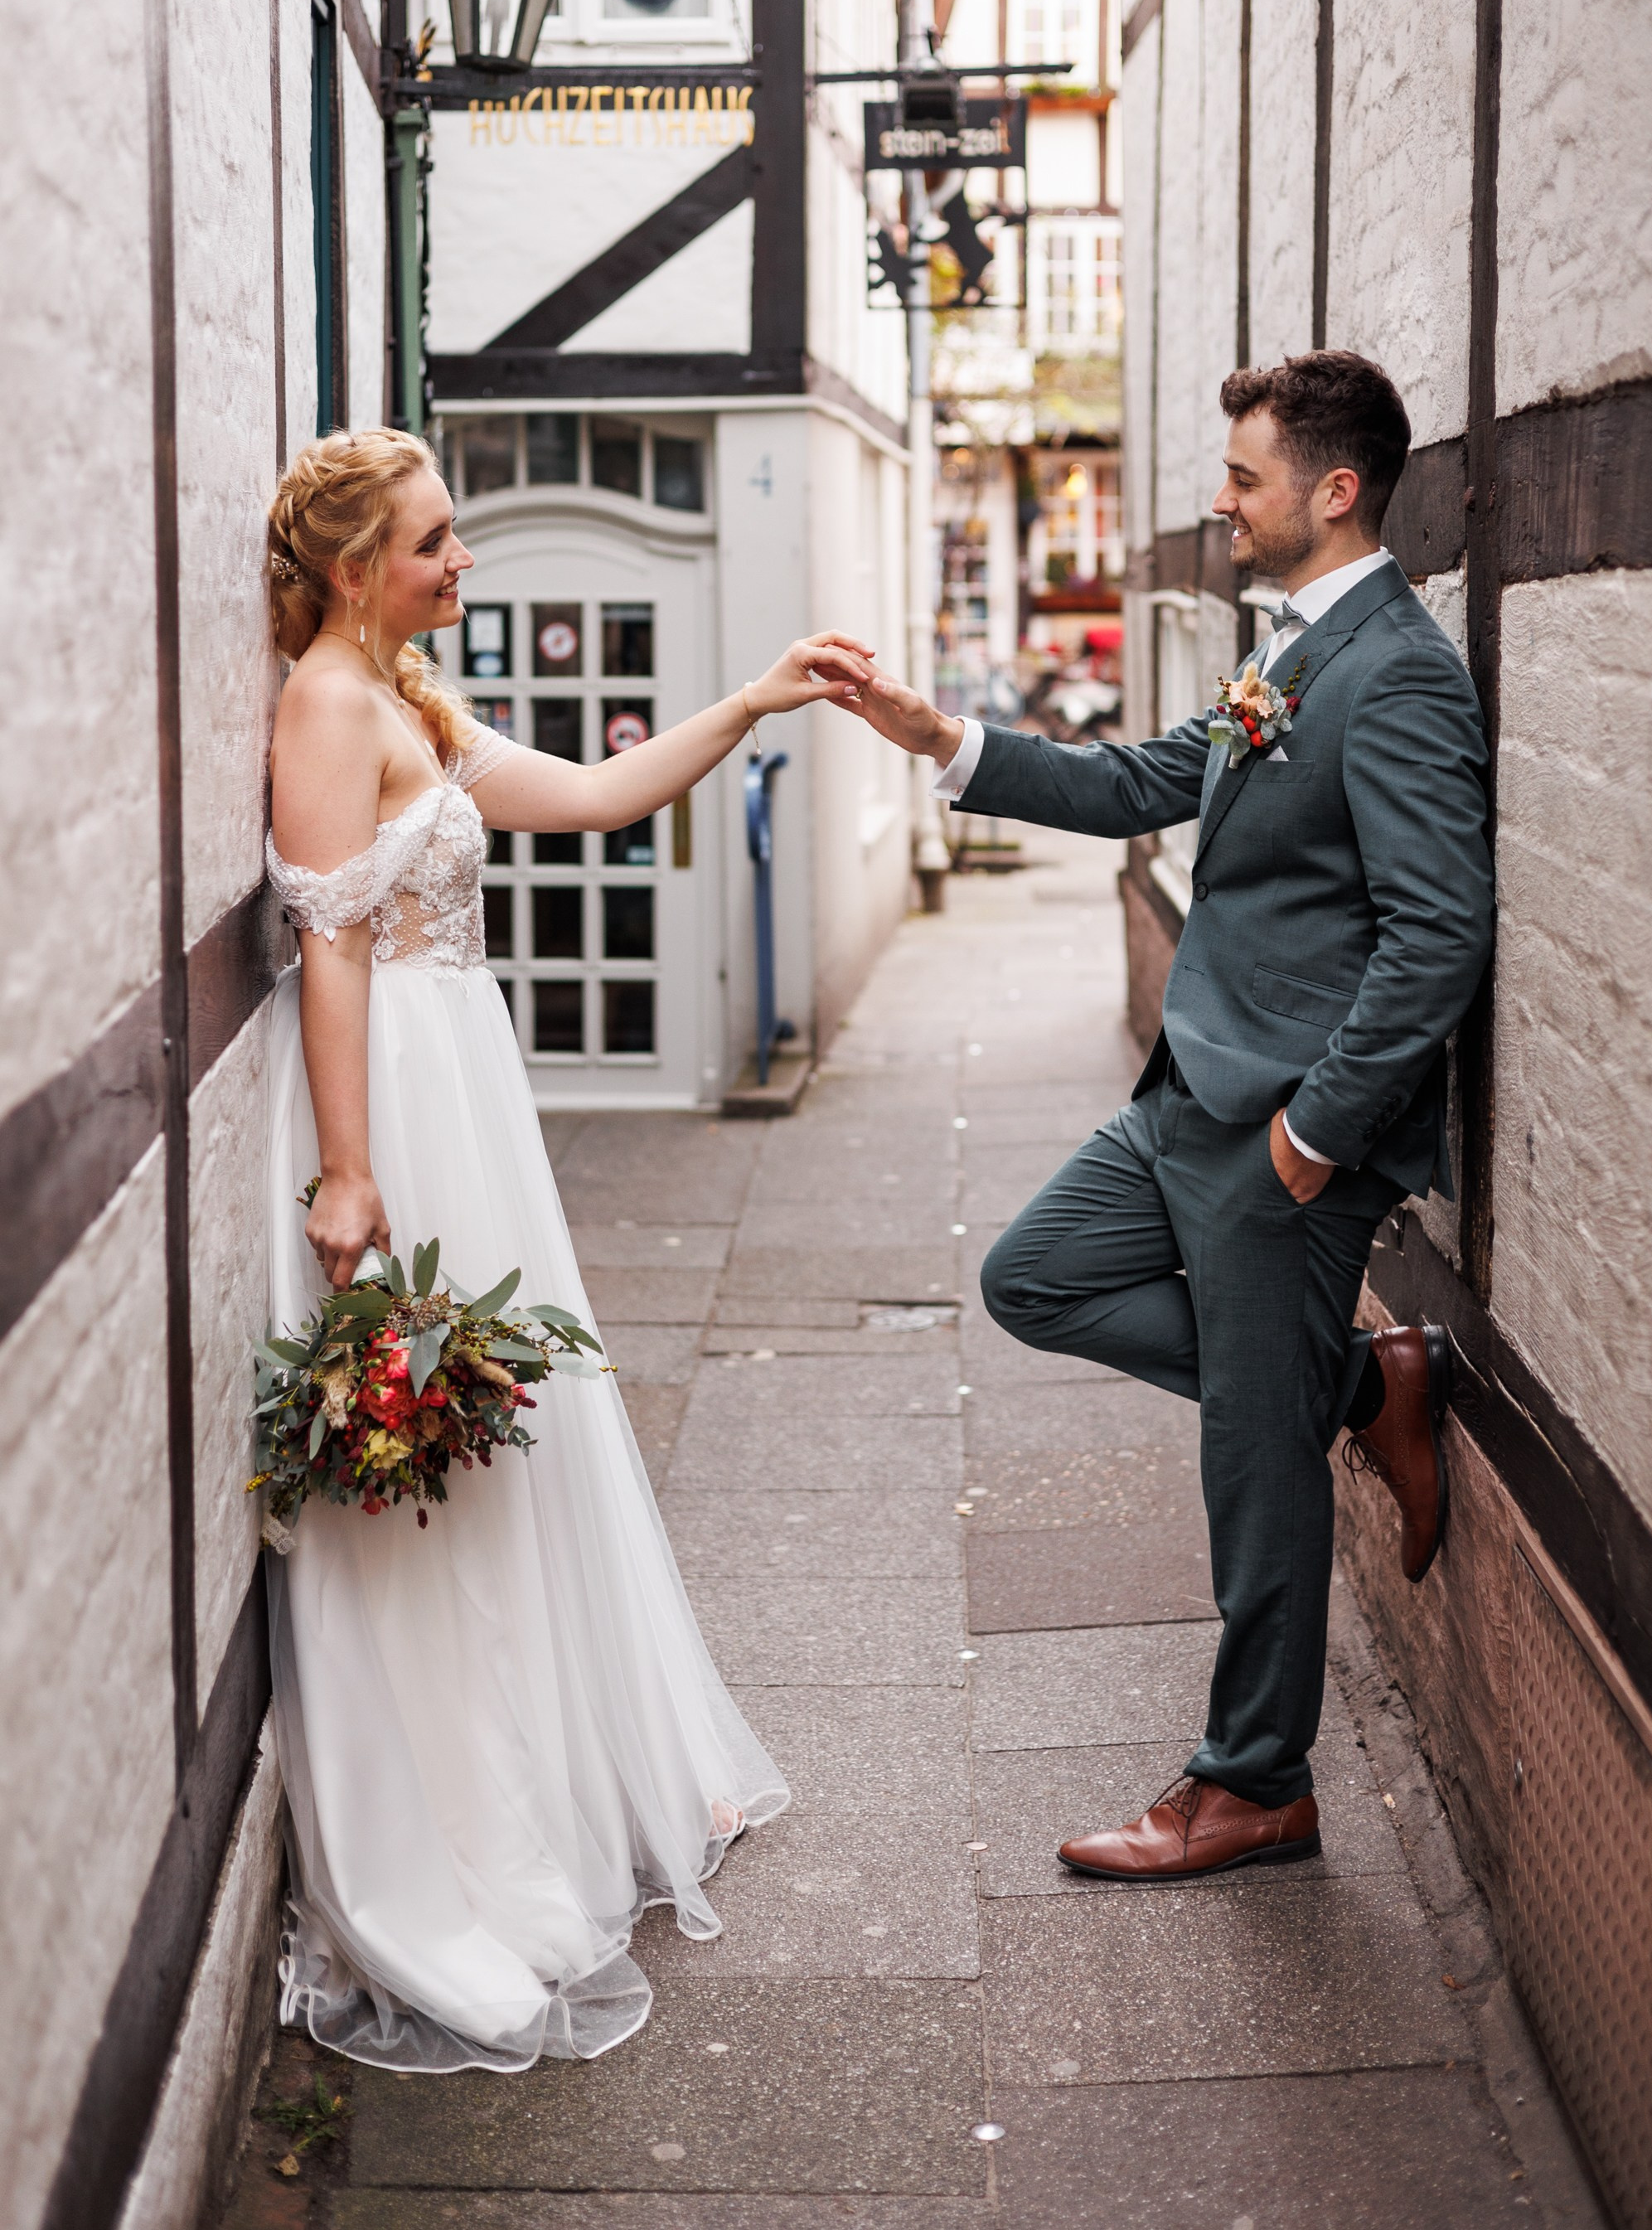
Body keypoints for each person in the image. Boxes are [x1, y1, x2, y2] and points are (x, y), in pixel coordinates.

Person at [262, 426, 873, 2069]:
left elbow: (599, 796)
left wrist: (752, 700)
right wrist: (343, 1170)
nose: (465, 565)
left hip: (463, 1082)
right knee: (429, 1436)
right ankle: (449, 1825)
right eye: (437, 542)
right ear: (352, 566)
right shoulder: (328, 705)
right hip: (392, 1090)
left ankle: (551, 1769)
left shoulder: (408, 700)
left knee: (515, 1428)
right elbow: (327, 943)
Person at [841, 351, 1494, 1880]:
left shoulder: (1395, 674)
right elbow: (1151, 778)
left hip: (1284, 1141)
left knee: (1249, 1480)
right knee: (1033, 1277)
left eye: (1246, 476)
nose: (1220, 498)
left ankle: (1252, 1782)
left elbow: (1438, 935)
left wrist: (1317, 1136)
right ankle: (1355, 1389)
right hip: (1188, 1097)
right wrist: (940, 739)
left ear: (1335, 492)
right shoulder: (1298, 652)